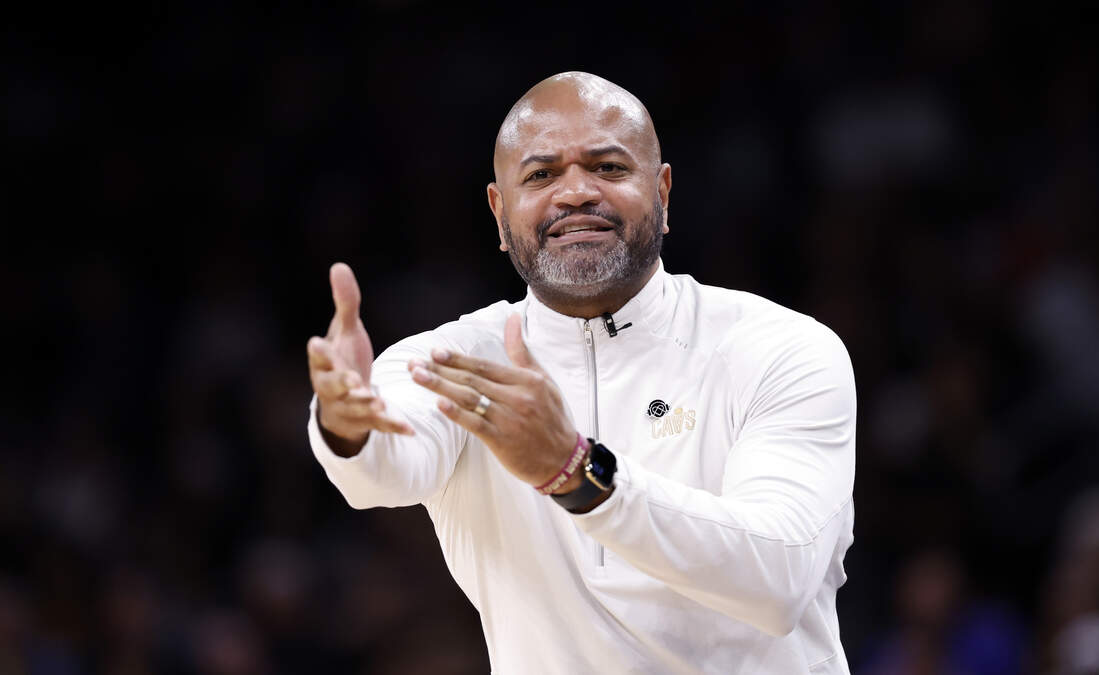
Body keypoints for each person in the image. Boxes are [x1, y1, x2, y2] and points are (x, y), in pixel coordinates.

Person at [305, 71, 856, 673]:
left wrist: (576, 472)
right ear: (499, 212)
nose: (574, 193)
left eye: (608, 168)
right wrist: (345, 424)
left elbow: (778, 579)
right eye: (541, 175)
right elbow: (382, 472)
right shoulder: (454, 361)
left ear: (663, 193)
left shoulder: (779, 348)